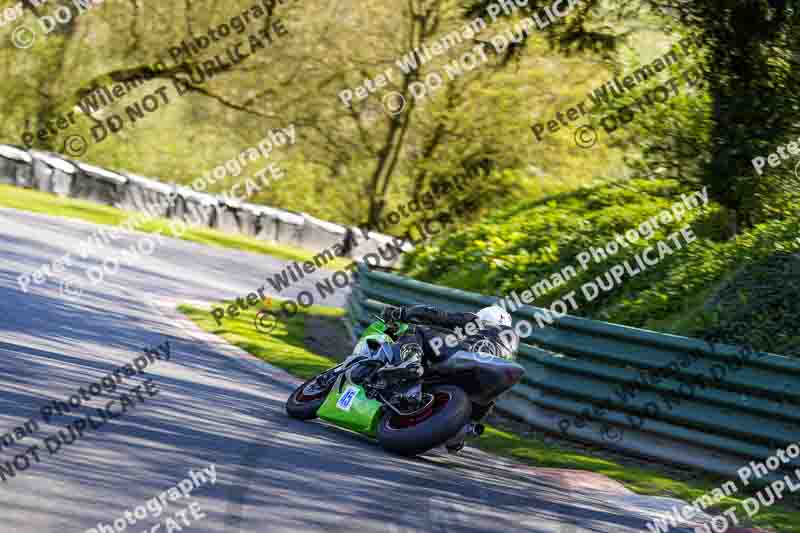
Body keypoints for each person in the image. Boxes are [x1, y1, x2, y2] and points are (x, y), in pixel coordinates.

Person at [379, 303, 519, 365]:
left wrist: (402, 313)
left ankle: (409, 363)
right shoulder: (509, 354)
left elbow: (441, 317)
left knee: (418, 330)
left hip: (469, 356)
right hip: (484, 386)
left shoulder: (479, 322)